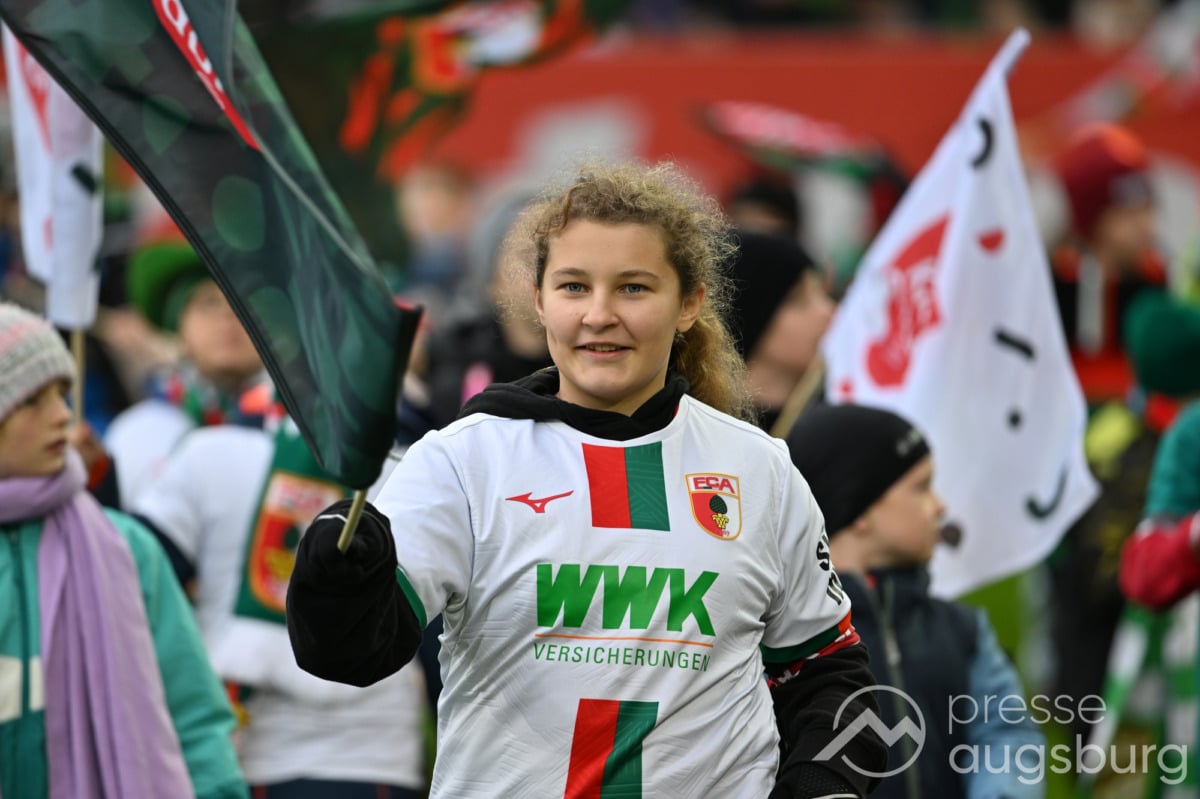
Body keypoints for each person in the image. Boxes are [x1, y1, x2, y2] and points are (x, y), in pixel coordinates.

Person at [286, 161, 887, 798]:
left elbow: (831, 675)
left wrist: (821, 785)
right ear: (539, 300)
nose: (599, 315)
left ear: (689, 303)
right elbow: (350, 654)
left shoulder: (760, 469)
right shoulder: (462, 460)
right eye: (574, 287)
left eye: (633, 288)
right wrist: (335, 573)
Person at [0, 302, 247, 799]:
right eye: (32, 401)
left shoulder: (126, 547)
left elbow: (194, 721)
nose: (62, 415)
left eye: (62, 394)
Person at [133, 402, 430, 797]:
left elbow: (129, 584)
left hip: (323, 756)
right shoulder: (413, 471)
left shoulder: (210, 452)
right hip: (340, 759)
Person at [786, 403, 1045, 799]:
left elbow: (1005, 736)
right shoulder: (787, 641)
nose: (940, 506)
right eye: (921, 487)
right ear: (860, 511)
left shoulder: (963, 632)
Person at [103, 236, 266, 507]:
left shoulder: (302, 434)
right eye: (208, 303)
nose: (228, 316)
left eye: (243, 303)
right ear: (178, 325)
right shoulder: (139, 433)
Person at [726, 230, 835, 435]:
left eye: (821, 294)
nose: (828, 311)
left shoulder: (836, 431)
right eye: (798, 300)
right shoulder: (700, 432)